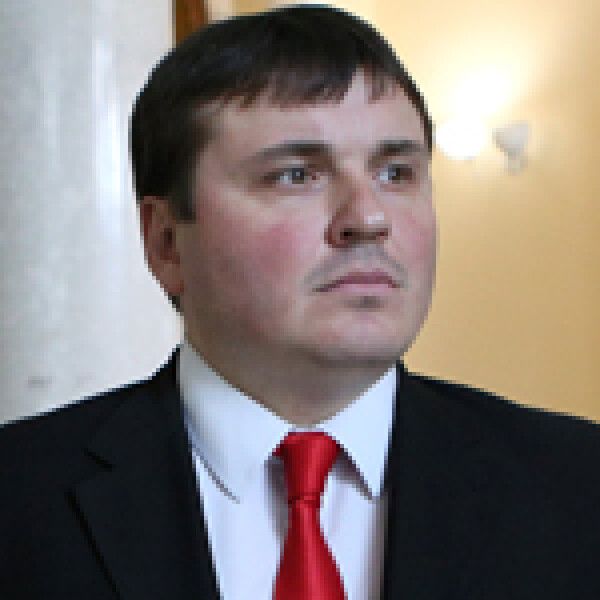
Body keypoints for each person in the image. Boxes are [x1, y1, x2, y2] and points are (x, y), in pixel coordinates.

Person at [1, 5, 599, 600]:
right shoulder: (20, 497)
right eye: (296, 175)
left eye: (396, 173)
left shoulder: (578, 486)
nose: (368, 219)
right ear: (166, 243)